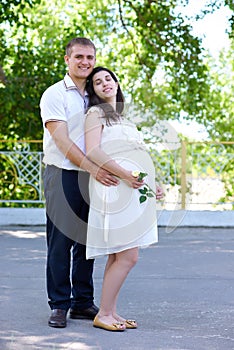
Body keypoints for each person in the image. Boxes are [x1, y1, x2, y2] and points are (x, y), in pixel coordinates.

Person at [40, 38, 119, 328]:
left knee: (88, 241)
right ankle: (59, 304)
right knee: (60, 242)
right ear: (67, 59)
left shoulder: (96, 93)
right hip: (62, 174)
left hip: (93, 177)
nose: (85, 62)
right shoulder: (54, 94)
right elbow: (61, 140)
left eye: (90, 57)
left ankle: (82, 302)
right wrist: (92, 168)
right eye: (79, 57)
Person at [84, 66, 164, 331]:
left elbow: (138, 153)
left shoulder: (124, 119)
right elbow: (93, 150)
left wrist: (154, 183)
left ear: (117, 83)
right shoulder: (95, 113)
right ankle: (103, 314)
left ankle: (110, 312)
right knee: (129, 256)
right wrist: (125, 175)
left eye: (108, 78)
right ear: (93, 90)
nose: (104, 83)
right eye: (97, 81)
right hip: (115, 188)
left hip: (132, 189)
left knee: (119, 255)